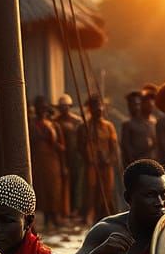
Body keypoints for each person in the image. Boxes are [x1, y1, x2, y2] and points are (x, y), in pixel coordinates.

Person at [77, 93, 119, 225]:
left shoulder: (108, 126)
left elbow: (114, 146)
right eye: (95, 107)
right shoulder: (84, 127)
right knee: (91, 188)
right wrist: (89, 158)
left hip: (106, 165)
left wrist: (109, 159)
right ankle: (89, 214)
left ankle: (104, 215)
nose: (99, 109)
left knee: (107, 190)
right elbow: (80, 147)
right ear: (90, 109)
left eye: (100, 106)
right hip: (91, 165)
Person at [29, 95, 66, 228]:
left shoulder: (54, 125)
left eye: (44, 108)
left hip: (53, 161)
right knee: (41, 190)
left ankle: (55, 216)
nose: (42, 110)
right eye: (39, 108)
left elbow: (62, 147)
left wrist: (52, 141)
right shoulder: (31, 125)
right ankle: (45, 218)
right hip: (38, 162)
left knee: (54, 189)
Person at [55, 93, 84, 215]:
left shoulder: (77, 121)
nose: (64, 109)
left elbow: (82, 138)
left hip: (75, 155)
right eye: (62, 106)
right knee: (63, 182)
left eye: (66, 106)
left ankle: (76, 209)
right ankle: (64, 209)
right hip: (61, 155)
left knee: (76, 182)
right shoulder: (56, 121)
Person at [120, 90, 156, 166]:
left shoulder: (151, 122)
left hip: (151, 162)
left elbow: (155, 144)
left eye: (137, 104)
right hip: (135, 163)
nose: (134, 107)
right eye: (131, 105)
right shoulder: (127, 124)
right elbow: (126, 147)